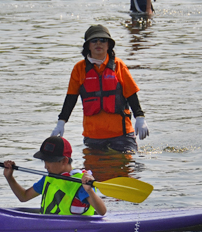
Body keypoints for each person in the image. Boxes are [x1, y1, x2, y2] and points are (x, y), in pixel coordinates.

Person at [50, 24, 149, 154]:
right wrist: (61, 122)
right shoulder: (79, 69)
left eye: (103, 40)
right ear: (88, 46)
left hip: (122, 135)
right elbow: (71, 98)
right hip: (93, 136)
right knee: (94, 173)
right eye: (94, 40)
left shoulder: (119, 65)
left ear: (108, 45)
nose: (99, 43)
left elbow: (131, 94)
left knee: (126, 168)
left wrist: (140, 117)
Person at [3, 136, 107, 216]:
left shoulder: (80, 183)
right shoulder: (48, 178)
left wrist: (89, 191)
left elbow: (102, 211)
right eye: (44, 161)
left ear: (64, 161)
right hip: (50, 227)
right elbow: (24, 197)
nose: (45, 166)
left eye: (49, 161)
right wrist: (9, 178)